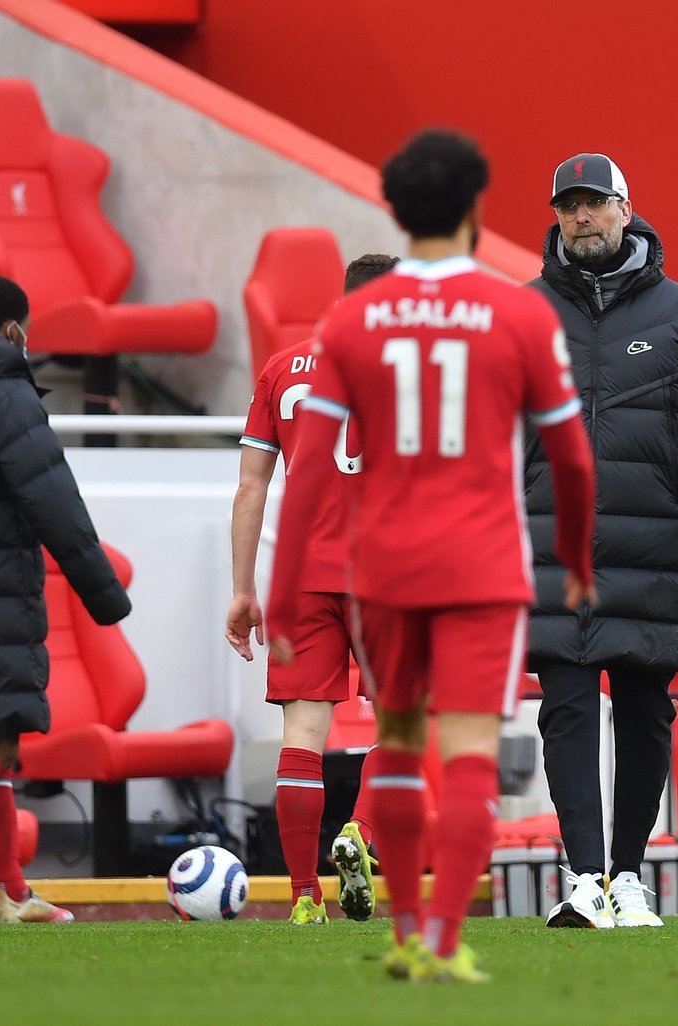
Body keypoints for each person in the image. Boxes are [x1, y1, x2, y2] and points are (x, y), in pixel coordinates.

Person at [265, 128, 596, 982]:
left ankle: (409, 934)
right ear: (476, 209)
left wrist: (281, 588)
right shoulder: (519, 312)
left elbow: (306, 474)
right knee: (471, 752)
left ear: (399, 214)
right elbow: (570, 456)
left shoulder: (351, 323)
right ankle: (445, 939)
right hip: (482, 566)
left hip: (384, 569)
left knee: (402, 744)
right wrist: (577, 558)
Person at [525, 152, 678, 929]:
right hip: (553, 547)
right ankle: (584, 878)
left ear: (625, 207)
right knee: (567, 709)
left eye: (594, 203)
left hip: (651, 551)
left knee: (647, 714)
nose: (580, 217)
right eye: (567, 206)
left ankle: (629, 875)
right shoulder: (524, 313)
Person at [0, 274, 131, 922]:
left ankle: (13, 893)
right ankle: (13, 894)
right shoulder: (6, 395)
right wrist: (106, 597)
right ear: (12, 330)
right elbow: (54, 500)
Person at [226, 253, 400, 925]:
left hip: (302, 576)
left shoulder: (283, 369)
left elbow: (251, 488)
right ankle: (358, 829)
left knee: (302, 731)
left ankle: (304, 896)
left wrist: (243, 589)